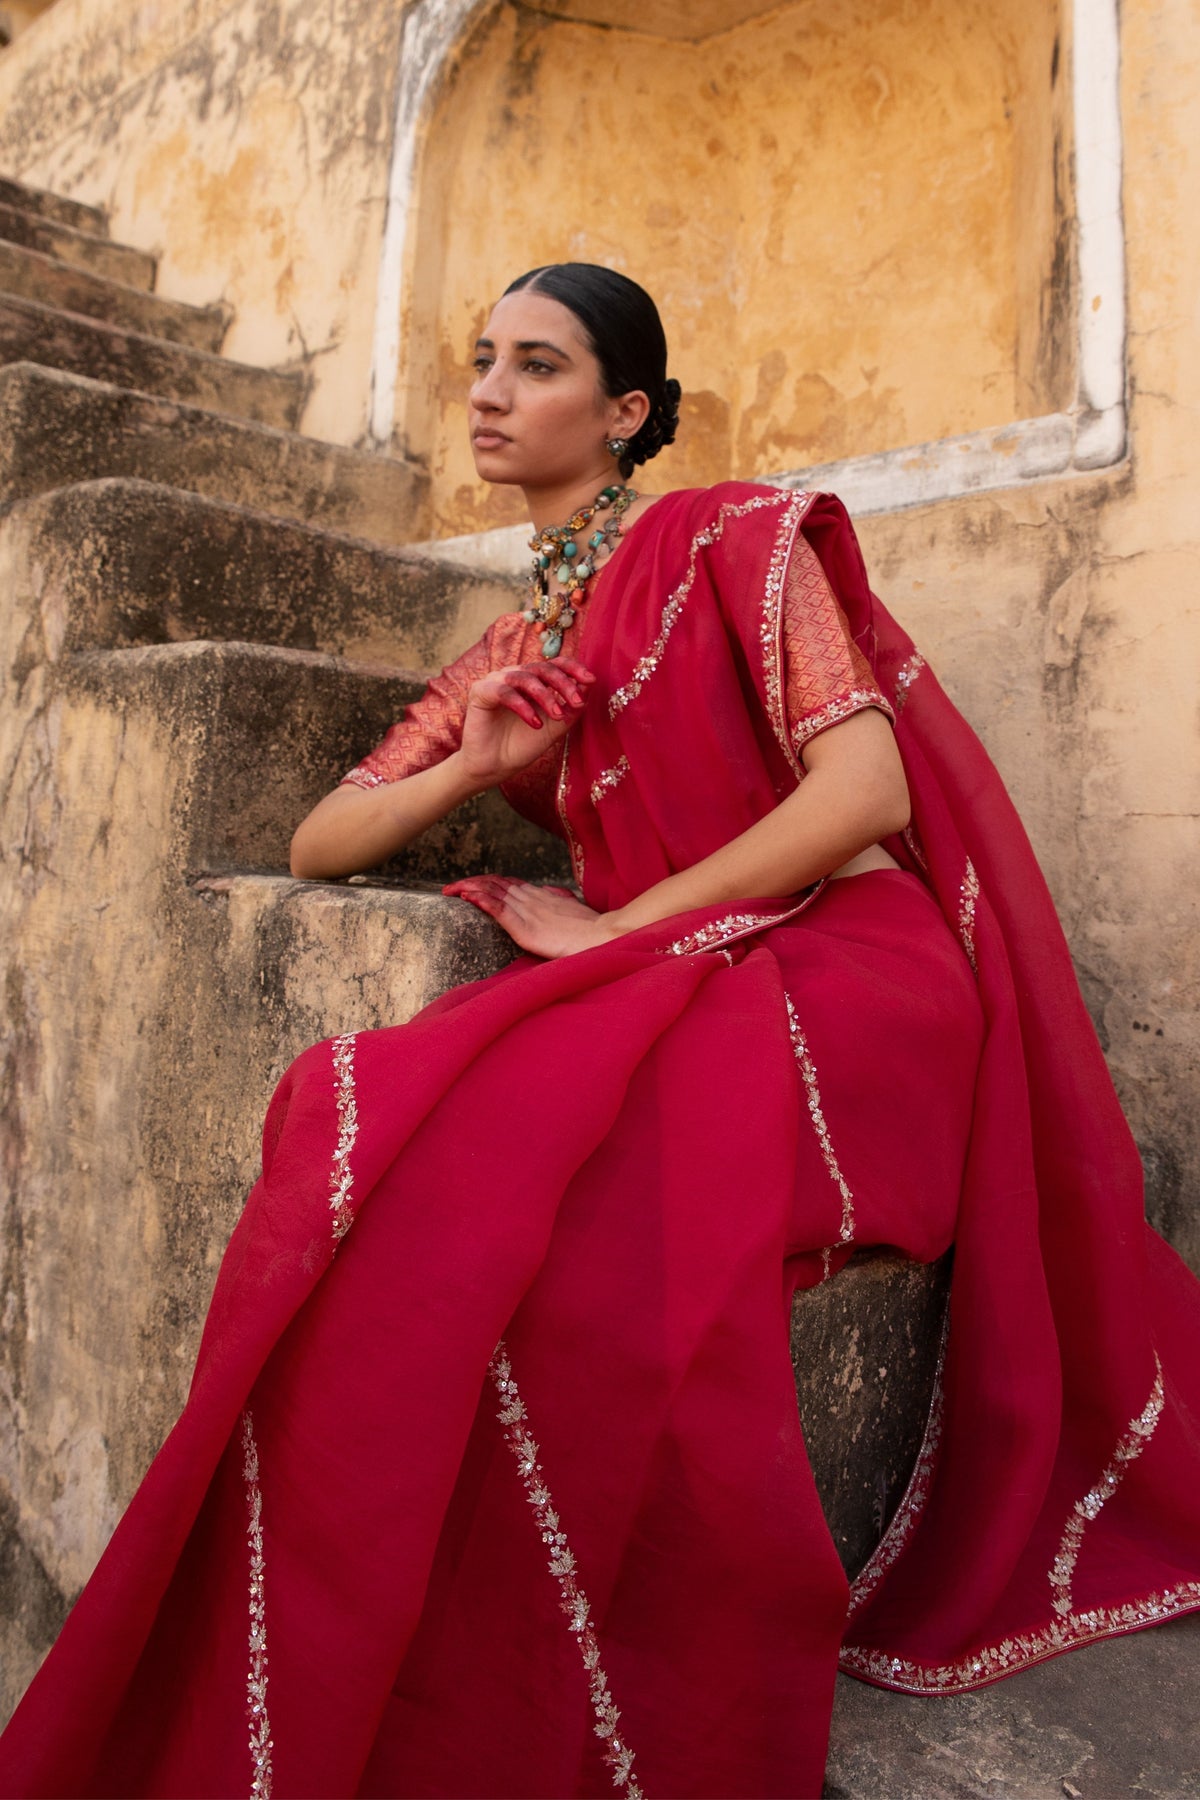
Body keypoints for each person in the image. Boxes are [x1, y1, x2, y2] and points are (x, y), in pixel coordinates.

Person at [1, 264, 1198, 1800]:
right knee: (364, 1116)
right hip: (691, 969)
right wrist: (476, 762)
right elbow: (319, 841)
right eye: (481, 361)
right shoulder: (515, 647)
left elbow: (867, 799)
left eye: (537, 365)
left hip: (849, 971)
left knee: (553, 1193)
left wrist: (630, 927)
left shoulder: (733, 541)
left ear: (625, 413)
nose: (489, 391)